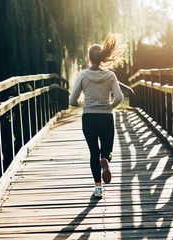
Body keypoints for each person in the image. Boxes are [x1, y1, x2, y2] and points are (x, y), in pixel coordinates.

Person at [69, 33, 126, 198]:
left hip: (89, 118)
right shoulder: (110, 75)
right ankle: (106, 160)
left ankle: (98, 188)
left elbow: (72, 100)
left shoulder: (83, 75)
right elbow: (120, 97)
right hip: (106, 117)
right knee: (107, 149)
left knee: (94, 152)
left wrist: (83, 104)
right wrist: (110, 106)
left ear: (89, 58)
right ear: (102, 57)